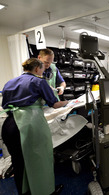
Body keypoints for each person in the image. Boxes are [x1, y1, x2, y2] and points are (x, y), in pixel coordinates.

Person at [1, 58, 68, 194]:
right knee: (40, 159)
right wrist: (68, 102)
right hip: (29, 124)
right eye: (43, 68)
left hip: (9, 125)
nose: (44, 71)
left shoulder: (10, 82)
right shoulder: (39, 81)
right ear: (37, 68)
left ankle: (25, 191)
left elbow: (6, 104)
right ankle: (46, 191)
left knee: (19, 163)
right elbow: (54, 104)